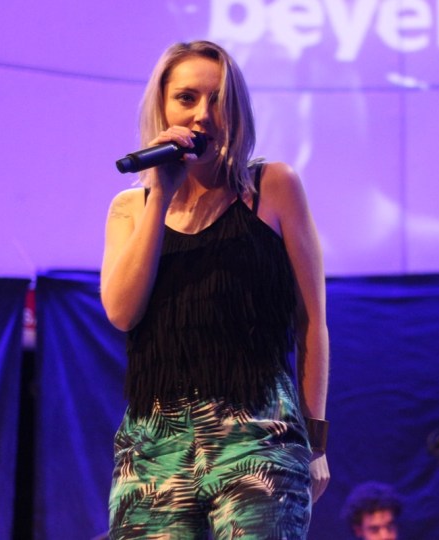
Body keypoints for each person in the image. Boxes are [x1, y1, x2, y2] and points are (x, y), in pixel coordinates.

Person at [100, 40, 330, 539]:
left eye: (219, 100)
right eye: (187, 98)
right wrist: (160, 193)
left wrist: (316, 442)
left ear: (238, 112)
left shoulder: (272, 186)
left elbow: (311, 321)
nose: (203, 114)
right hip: (153, 446)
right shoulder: (131, 208)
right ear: (162, 107)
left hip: (257, 435)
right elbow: (122, 312)